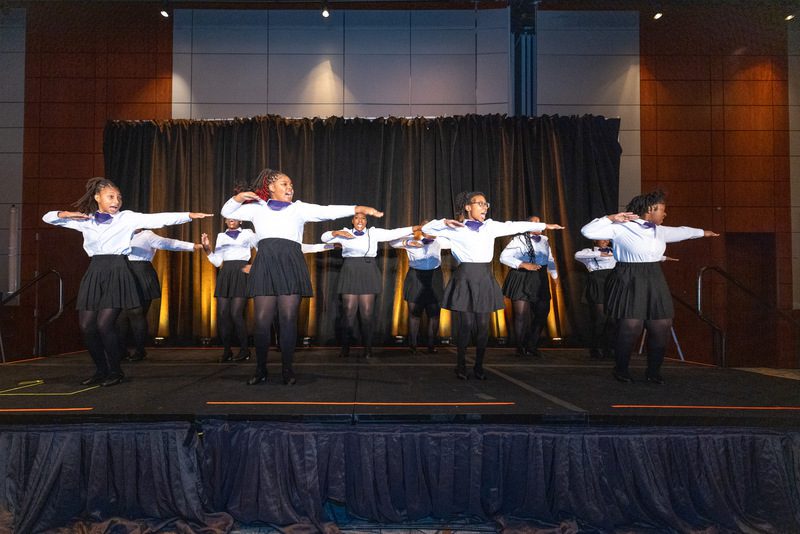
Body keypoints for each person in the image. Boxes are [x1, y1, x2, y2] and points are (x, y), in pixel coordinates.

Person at [42, 177, 212, 387]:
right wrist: (65, 214)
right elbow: (47, 217)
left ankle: (115, 371)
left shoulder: (127, 218)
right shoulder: (87, 221)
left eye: (119, 197)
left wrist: (188, 215)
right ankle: (100, 370)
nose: (116, 201)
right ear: (97, 198)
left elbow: (157, 219)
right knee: (86, 326)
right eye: (111, 196)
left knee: (105, 325)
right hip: (95, 271)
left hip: (117, 270)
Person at [220, 168, 383, 386]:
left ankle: (287, 370)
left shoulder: (299, 209)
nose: (290, 188)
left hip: (290, 262)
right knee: (261, 322)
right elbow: (227, 211)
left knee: (288, 320)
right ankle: (260, 369)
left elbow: (328, 211)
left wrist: (358, 208)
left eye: (291, 184)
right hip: (266, 262)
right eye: (285, 184)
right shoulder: (257, 208)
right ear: (271, 187)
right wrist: (238, 197)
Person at [422, 191, 563, 380]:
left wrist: (543, 225)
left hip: (484, 277)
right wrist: (444, 222)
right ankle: (461, 365)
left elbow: (514, 225)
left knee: (482, 325)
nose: (484, 207)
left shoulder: (490, 227)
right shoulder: (456, 228)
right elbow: (428, 229)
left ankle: (479, 366)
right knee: (466, 325)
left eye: (485, 204)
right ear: (467, 207)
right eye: (479, 203)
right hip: (465, 277)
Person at [581, 190, 718, 384]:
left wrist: (702, 233)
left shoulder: (658, 230)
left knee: (661, 324)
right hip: (629, 275)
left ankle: (653, 371)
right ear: (651, 209)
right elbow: (587, 231)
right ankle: (621, 369)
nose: (665, 214)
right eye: (662, 210)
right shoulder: (621, 227)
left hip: (654, 275)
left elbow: (681, 231)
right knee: (631, 326)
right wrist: (611, 218)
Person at [321, 214, 418, 358]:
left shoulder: (373, 232)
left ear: (366, 221)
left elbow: (393, 233)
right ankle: (345, 347)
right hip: (350, 269)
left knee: (367, 313)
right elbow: (324, 238)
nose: (360, 221)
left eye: (363, 218)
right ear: (352, 221)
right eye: (357, 218)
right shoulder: (344, 233)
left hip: (368, 269)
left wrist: (413, 228)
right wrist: (335, 233)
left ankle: (368, 348)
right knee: (348, 312)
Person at [118, 229, 201, 362]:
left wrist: (191, 246)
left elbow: (167, 243)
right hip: (123, 273)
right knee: (120, 313)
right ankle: (121, 350)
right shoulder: (120, 233)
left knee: (136, 312)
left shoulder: (147, 235)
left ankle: (140, 350)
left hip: (141, 273)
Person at [499, 216, 559, 358]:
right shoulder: (518, 239)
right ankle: (519, 347)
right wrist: (523, 264)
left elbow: (550, 260)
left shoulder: (544, 240)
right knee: (520, 315)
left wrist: (555, 276)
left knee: (542, 312)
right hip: (522, 276)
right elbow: (503, 257)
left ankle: (532, 344)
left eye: (540, 222)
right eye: (534, 222)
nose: (538, 224)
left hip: (540, 277)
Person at [201, 218, 258, 363]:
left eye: (234, 217)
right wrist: (207, 249)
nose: (231, 220)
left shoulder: (248, 233)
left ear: (240, 220)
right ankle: (227, 351)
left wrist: (255, 266)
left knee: (236, 314)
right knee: (222, 314)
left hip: (241, 272)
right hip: (226, 273)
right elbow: (218, 261)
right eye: (228, 218)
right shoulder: (221, 236)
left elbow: (262, 248)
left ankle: (245, 350)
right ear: (225, 221)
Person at [391, 226, 450, 354]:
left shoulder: (439, 240)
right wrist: (407, 242)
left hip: (434, 277)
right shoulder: (413, 239)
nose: (430, 231)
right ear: (422, 230)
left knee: (434, 314)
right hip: (415, 276)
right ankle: (412, 345)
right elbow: (392, 242)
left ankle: (431, 345)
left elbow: (454, 241)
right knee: (414, 313)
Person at [574, 239, 616, 360]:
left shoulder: (615, 251)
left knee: (612, 320)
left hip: (612, 284)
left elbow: (634, 256)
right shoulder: (589, 252)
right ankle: (595, 348)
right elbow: (577, 255)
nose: (605, 241)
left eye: (607, 238)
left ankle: (608, 349)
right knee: (600, 319)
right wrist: (599, 254)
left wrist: (663, 257)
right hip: (598, 283)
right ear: (595, 239)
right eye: (602, 238)